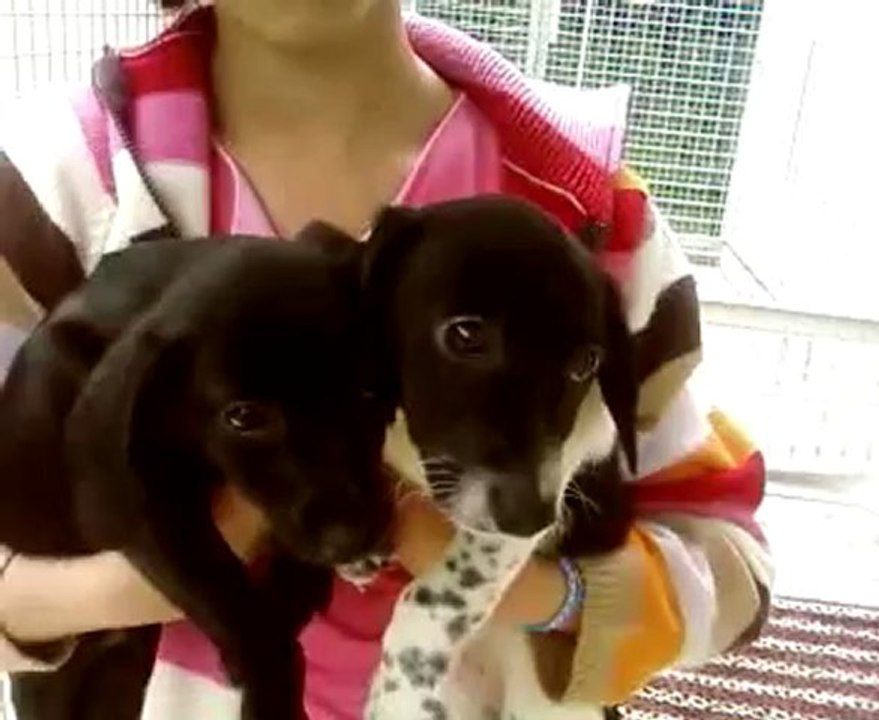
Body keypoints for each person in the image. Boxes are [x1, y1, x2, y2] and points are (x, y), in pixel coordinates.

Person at [0, 0, 772, 717]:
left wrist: (543, 594)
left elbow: (731, 566)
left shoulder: (588, 206)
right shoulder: (59, 185)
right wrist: (142, 586)